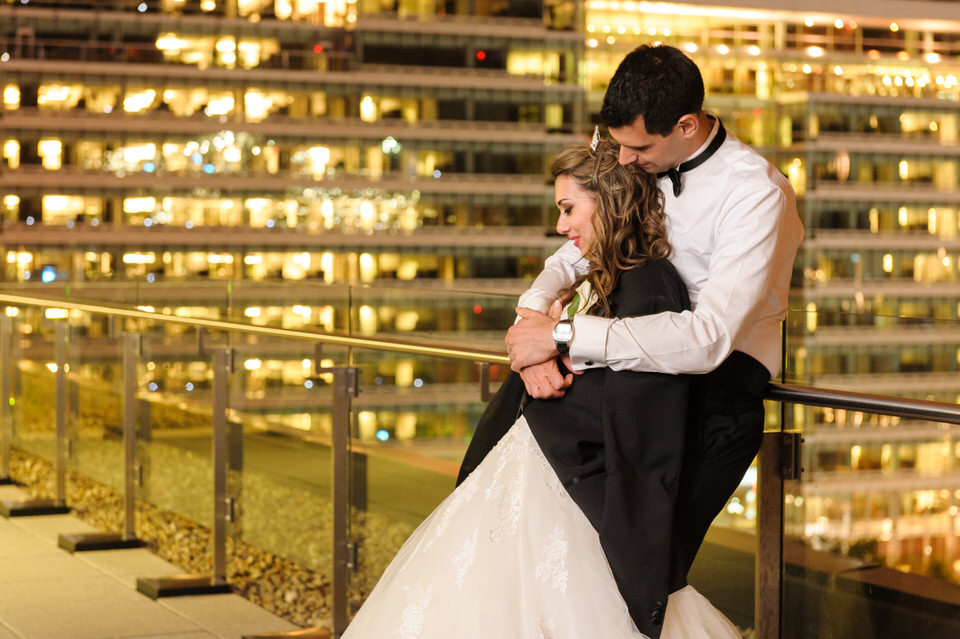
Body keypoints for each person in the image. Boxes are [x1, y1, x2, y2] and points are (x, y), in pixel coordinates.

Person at [341, 139, 741, 639]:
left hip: (561, 476)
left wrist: (554, 350)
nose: (561, 226)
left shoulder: (648, 285)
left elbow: (639, 421)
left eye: (569, 208)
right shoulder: (602, 280)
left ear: (609, 201)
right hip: (536, 467)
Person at [458, 43, 804, 603]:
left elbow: (707, 340)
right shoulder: (646, 164)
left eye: (636, 145)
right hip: (628, 382)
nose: (621, 160)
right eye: (617, 142)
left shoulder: (755, 194)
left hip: (708, 403)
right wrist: (534, 309)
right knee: (525, 495)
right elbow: (580, 252)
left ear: (687, 125)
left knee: (636, 585)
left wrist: (562, 334)